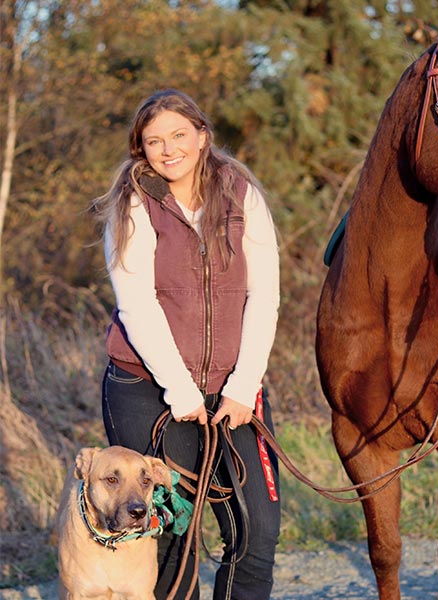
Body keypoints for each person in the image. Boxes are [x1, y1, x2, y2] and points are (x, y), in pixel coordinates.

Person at [94, 88, 280, 600]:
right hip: (146, 386)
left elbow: (265, 296)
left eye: (179, 135)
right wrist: (180, 391)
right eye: (154, 141)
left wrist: (244, 386)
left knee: (257, 532)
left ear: (202, 136)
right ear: (141, 149)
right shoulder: (134, 203)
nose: (168, 149)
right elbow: (137, 305)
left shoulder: (241, 194)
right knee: (177, 532)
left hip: (235, 390)